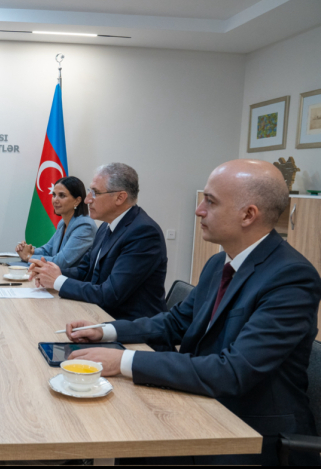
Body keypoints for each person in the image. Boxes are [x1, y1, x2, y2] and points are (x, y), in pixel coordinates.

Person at [64, 159, 321, 465]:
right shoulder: (218, 263)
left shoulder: (291, 277)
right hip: (204, 404)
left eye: (210, 201)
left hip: (250, 432)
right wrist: (106, 331)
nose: (199, 210)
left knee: (127, 442)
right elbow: (175, 322)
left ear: (248, 215)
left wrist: (122, 360)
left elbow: (233, 371)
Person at [30, 163, 167, 321]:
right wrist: (48, 271)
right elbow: (84, 271)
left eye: (95, 193)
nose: (87, 200)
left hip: (129, 326)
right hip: (98, 314)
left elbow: (111, 294)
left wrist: (58, 281)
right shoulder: (105, 227)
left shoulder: (143, 233)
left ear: (120, 197)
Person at [15, 176, 96, 270]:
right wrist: (29, 250)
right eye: (54, 195)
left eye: (62, 196)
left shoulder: (85, 226)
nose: (55, 200)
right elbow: (47, 250)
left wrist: (28, 257)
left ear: (77, 201)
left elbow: (61, 262)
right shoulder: (63, 223)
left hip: (72, 278)